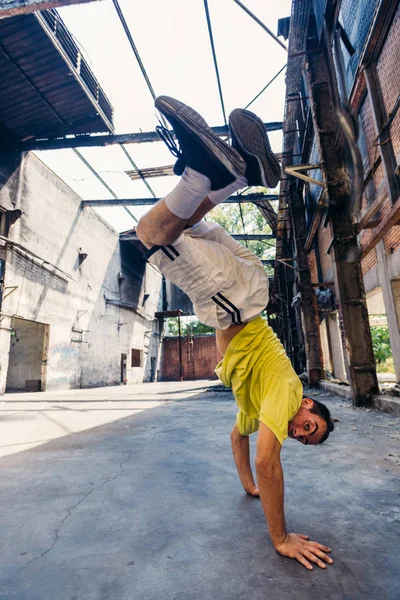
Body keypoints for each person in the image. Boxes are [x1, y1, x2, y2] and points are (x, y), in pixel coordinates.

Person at [137, 96, 334, 571]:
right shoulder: (286, 394)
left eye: (304, 440)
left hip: (245, 284)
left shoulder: (258, 406)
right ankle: (206, 173)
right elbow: (269, 462)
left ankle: (239, 175)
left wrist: (247, 485)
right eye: (309, 427)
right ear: (307, 405)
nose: (299, 433)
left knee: (180, 222)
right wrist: (281, 536)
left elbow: (238, 437)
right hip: (234, 302)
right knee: (150, 233)